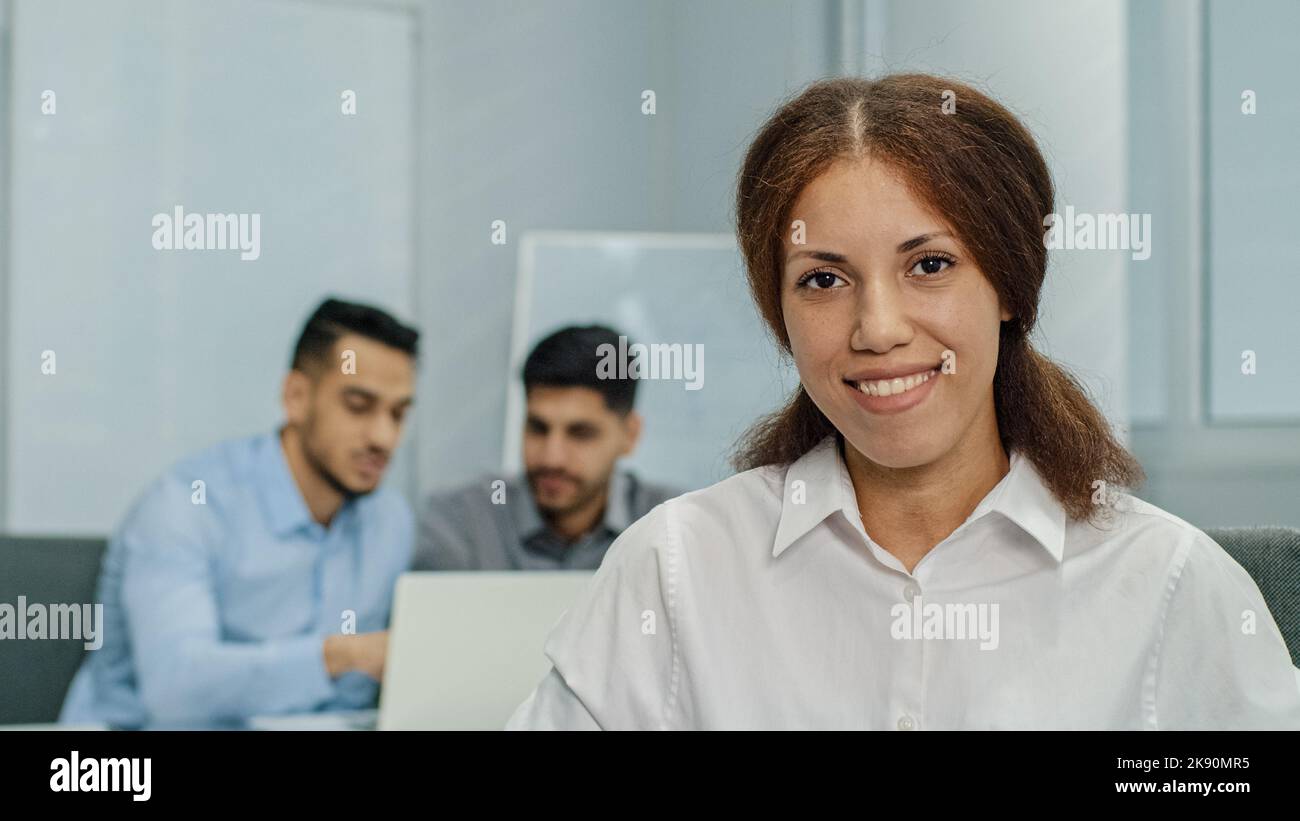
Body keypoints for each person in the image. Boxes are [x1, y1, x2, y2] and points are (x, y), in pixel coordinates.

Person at [507, 74, 1300, 730]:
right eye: (823, 279)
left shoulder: (1167, 582)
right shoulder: (675, 567)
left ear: (1009, 288)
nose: (878, 329)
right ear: (778, 312)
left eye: (929, 265)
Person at [60, 297, 419, 728]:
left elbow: (354, 705)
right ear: (296, 396)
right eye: (358, 406)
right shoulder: (187, 504)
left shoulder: (390, 523)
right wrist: (341, 655)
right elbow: (176, 689)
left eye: (398, 414)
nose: (383, 436)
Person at [413, 325, 679, 571]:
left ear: (630, 435)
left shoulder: (673, 525)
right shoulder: (463, 519)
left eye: (581, 434)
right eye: (538, 428)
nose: (552, 458)